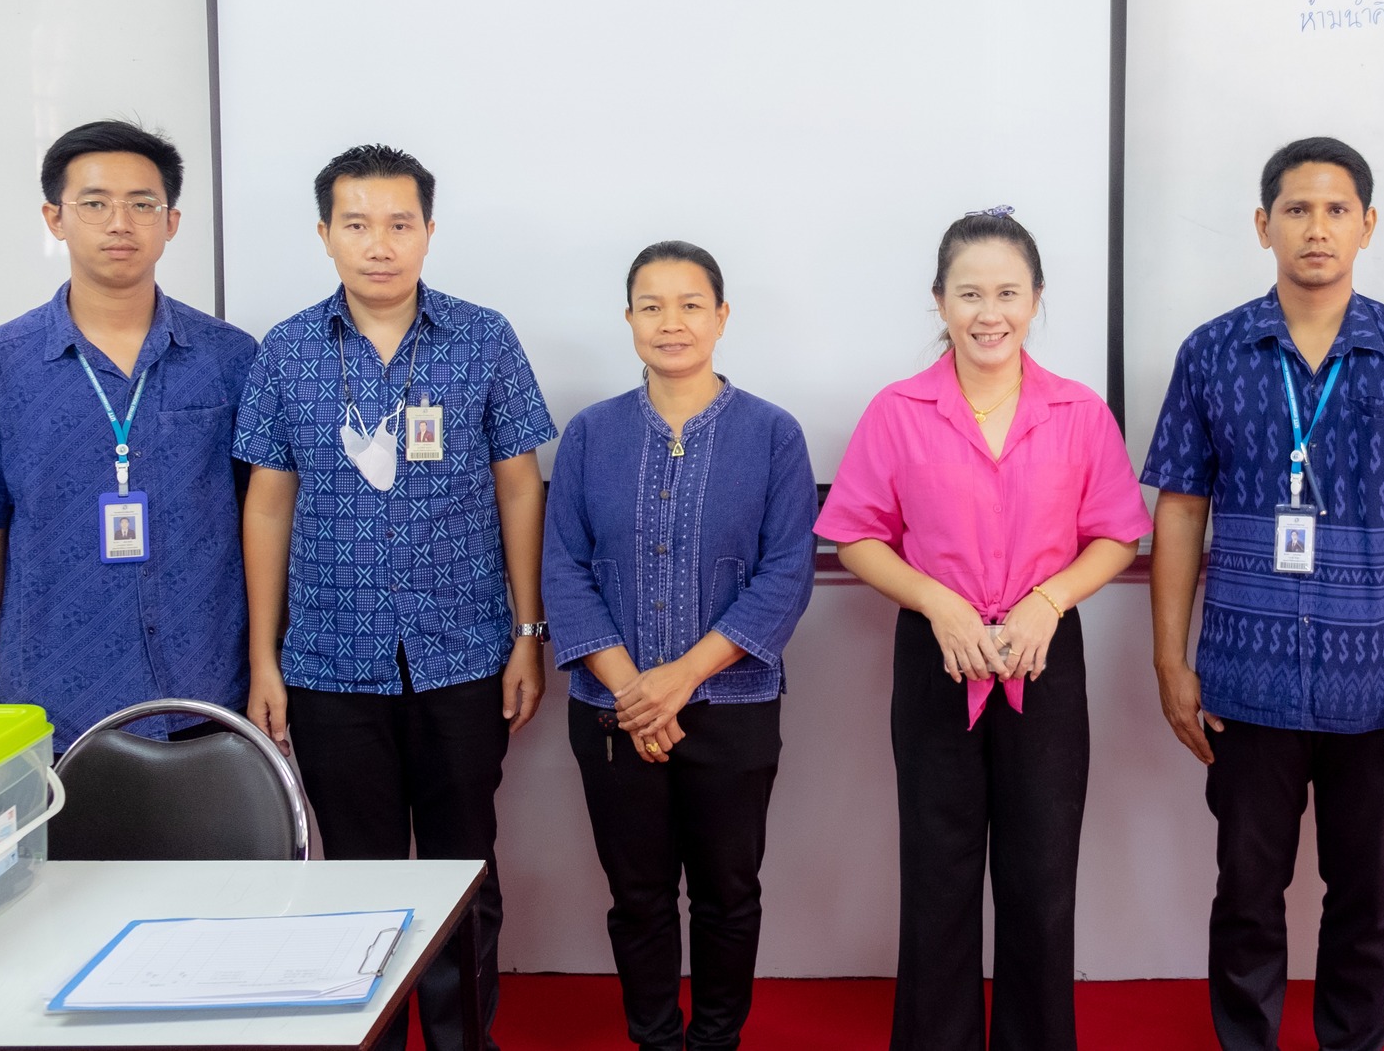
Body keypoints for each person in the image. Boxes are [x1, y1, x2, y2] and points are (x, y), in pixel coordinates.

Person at [1144, 137, 1384, 1051]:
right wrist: (1170, 661)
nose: (1318, 227)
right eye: (1297, 208)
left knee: (1366, 896)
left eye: (1338, 209)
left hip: (1380, 683)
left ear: (1368, 225)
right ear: (1264, 226)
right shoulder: (1214, 350)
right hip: (1244, 681)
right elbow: (1180, 513)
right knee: (1247, 891)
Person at [234, 144, 556, 1051]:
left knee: (464, 871)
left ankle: (463, 1039)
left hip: (463, 653)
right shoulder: (288, 348)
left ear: (429, 231)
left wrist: (528, 632)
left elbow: (520, 485)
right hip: (331, 663)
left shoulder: (482, 336)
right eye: (357, 223)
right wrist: (265, 655)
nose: (380, 244)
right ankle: (373, 1037)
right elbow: (267, 502)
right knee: (361, 878)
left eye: (400, 223)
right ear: (325, 235)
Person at [815, 208, 1150, 1051]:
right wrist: (937, 601)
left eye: (1007, 291)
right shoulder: (898, 409)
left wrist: (1050, 599)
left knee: (1042, 881)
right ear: (939, 301)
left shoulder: (1079, 410)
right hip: (939, 657)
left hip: (1043, 657)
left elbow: (1117, 532)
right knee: (938, 877)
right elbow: (853, 532)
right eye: (969, 293)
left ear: (1036, 299)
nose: (988, 311)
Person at [543, 241, 816, 1051]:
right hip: (613, 715)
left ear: (722, 317)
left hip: (732, 709)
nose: (672, 322)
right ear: (628, 318)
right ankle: (656, 1039)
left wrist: (679, 681)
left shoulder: (774, 434)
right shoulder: (590, 434)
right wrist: (634, 689)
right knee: (638, 895)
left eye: (691, 303)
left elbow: (786, 573)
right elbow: (562, 569)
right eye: (651, 305)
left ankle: (717, 1039)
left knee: (729, 893)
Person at [0, 121, 256, 750]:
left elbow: (264, 520)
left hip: (208, 689)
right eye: (95, 204)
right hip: (50, 698)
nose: (119, 223)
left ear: (172, 222)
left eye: (141, 204)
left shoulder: (231, 359)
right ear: (54, 218)